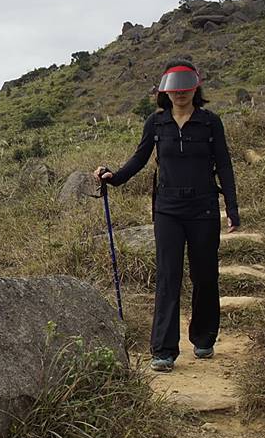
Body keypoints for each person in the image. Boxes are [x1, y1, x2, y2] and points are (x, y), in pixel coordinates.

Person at [93, 59, 239, 372]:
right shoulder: (156, 123)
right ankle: (163, 350)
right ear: (165, 92)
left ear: (195, 88)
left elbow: (224, 164)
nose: (180, 93)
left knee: (205, 274)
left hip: (203, 207)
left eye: (186, 88)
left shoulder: (210, 122)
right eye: (175, 89)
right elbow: (139, 158)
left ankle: (204, 337)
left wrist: (232, 208)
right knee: (168, 276)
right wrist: (114, 177)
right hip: (168, 209)